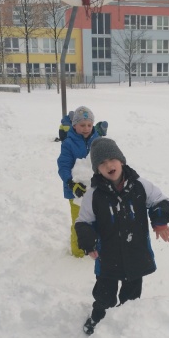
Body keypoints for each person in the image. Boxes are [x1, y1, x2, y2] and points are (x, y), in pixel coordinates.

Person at [75, 138, 169, 335]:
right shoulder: (93, 194)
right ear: (97, 169)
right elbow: (83, 221)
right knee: (105, 295)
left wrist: (160, 220)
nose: (108, 165)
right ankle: (98, 317)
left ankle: (127, 325)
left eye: (112, 159)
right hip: (107, 256)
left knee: (131, 296)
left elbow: (159, 200)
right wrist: (89, 242)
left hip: (136, 253)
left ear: (121, 161)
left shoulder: (140, 185)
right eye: (102, 163)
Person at [57, 106, 99, 257]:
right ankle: (79, 253)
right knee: (80, 222)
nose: (86, 128)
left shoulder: (97, 141)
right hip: (76, 192)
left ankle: (96, 246)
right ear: (74, 125)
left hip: (96, 190)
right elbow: (63, 166)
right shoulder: (68, 143)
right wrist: (71, 183)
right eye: (82, 125)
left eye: (89, 125)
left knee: (98, 220)